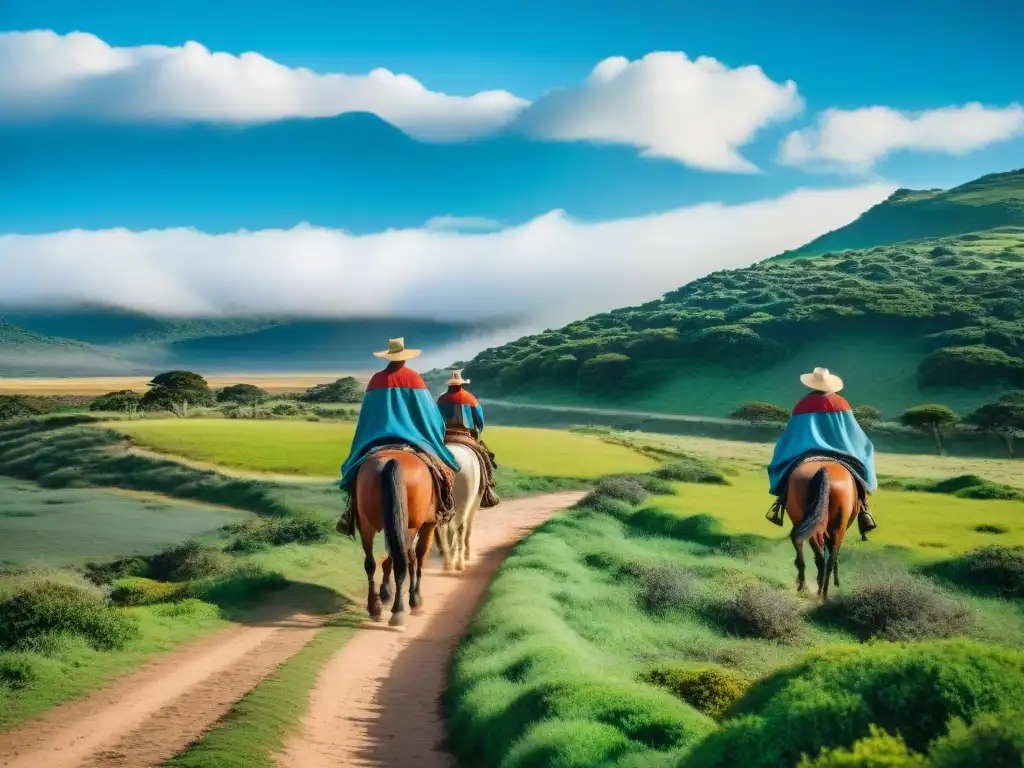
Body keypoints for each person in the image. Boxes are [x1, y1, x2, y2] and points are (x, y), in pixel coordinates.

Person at [336, 338, 460, 535]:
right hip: (413, 439)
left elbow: (367, 416)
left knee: (354, 471)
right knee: (442, 472)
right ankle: (444, 506)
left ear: (388, 356)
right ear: (406, 358)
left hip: (376, 438)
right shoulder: (414, 379)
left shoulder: (376, 380)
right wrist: (435, 431)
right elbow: (430, 415)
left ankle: (349, 513)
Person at [766, 367, 878, 537]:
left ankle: (779, 503)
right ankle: (864, 509)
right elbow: (852, 433)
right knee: (865, 456)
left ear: (812, 383)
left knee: (784, 464)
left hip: (805, 451)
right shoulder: (841, 403)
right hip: (840, 451)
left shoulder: (802, 404)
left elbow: (792, 435)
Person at [436, 369, 500, 508]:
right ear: (461, 384)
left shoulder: (441, 399)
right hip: (465, 434)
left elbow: (435, 419)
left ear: (449, 385)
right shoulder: (471, 399)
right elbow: (480, 421)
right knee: (484, 456)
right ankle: (488, 488)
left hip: (444, 435)